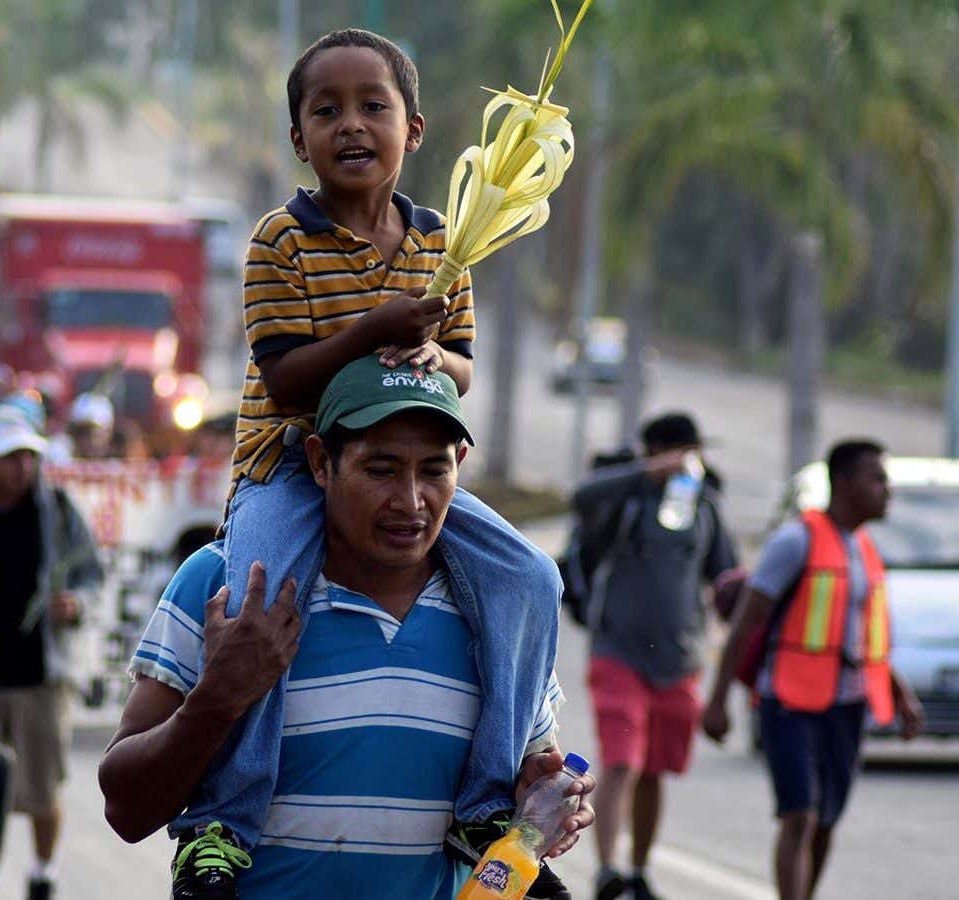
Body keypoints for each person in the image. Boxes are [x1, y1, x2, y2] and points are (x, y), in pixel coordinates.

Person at [194, 29, 564, 897]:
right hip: (288, 463)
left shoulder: (445, 243)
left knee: (531, 576)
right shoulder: (280, 242)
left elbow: (463, 361)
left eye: (373, 107)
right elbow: (284, 376)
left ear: (416, 129)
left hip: (395, 462)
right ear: (298, 139)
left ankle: (484, 806)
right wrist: (374, 331)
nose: (351, 125)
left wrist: (440, 361)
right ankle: (221, 825)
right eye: (326, 111)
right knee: (261, 597)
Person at [101, 356, 592, 900]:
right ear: (319, 462)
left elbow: (528, 784)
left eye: (434, 470)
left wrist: (538, 798)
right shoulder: (229, 586)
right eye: (380, 469)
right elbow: (126, 811)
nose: (410, 502)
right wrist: (218, 697)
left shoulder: (501, 609)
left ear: (461, 462)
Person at [702, 440, 925, 900]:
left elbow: (863, 640)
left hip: (846, 704)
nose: (888, 490)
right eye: (877, 479)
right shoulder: (795, 540)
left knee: (826, 820)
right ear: (843, 483)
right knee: (799, 814)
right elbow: (747, 622)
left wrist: (900, 695)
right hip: (788, 699)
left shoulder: (864, 548)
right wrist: (718, 700)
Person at [571, 413, 738, 900]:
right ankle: (606, 871)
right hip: (617, 651)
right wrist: (647, 473)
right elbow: (582, 498)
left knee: (656, 769)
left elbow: (725, 575)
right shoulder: (623, 496)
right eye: (679, 453)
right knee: (621, 760)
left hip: (678, 661)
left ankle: (640, 871)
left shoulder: (705, 506)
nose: (689, 463)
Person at [0, 411, 104, 900]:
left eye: (28, 455)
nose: (21, 466)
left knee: (44, 788)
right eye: (10, 457)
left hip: (42, 676)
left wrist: (76, 603)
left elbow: (92, 573)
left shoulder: (60, 511)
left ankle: (43, 872)